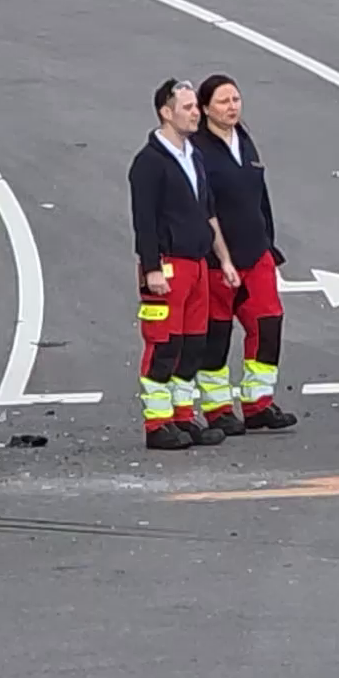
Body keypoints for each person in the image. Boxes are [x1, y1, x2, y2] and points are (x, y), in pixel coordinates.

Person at [194, 74, 298, 434]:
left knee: (268, 325)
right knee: (216, 334)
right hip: (216, 259)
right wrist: (213, 255)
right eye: (223, 101)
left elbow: (259, 196)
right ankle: (217, 408)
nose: (232, 106)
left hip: (256, 253)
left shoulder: (245, 141)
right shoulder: (196, 150)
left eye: (236, 99)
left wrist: (268, 243)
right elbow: (199, 207)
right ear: (205, 107)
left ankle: (258, 403)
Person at [129, 79, 224, 452]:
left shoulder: (193, 155)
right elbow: (145, 219)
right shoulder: (148, 163)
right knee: (163, 344)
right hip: (168, 265)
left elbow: (206, 209)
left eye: (194, 106)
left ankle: (183, 416)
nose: (195, 112)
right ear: (165, 113)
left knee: (192, 344)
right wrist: (151, 267)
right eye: (186, 108)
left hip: (196, 263)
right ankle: (158, 423)